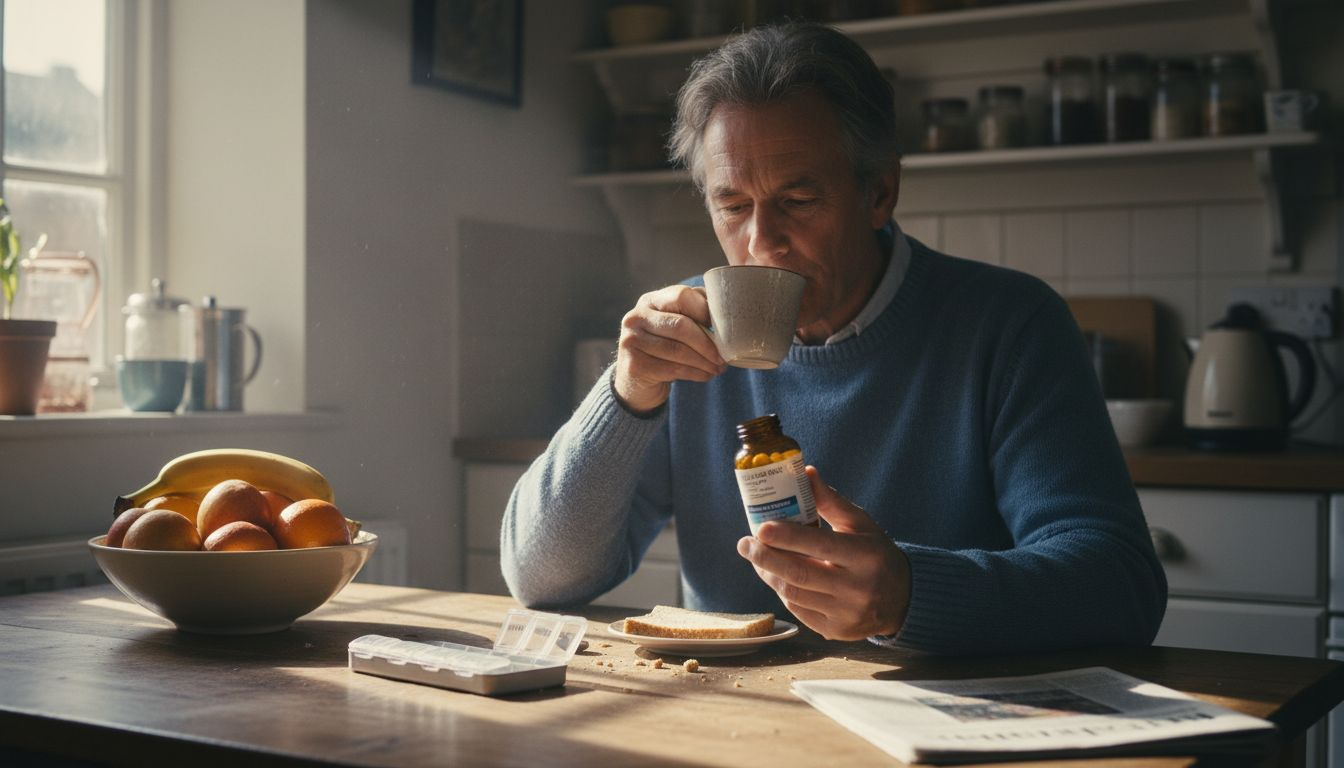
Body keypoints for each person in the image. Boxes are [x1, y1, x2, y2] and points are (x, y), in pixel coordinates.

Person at [501, 21, 1167, 654]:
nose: (762, 243)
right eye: (733, 206)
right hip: (734, 720)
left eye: (798, 200)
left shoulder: (1008, 324)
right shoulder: (688, 337)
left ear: (880, 193)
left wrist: (910, 594)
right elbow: (540, 579)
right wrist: (628, 394)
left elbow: (1121, 586)